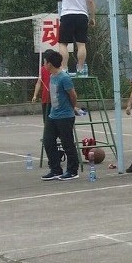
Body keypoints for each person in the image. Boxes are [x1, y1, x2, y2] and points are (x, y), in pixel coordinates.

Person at [40, 49, 80, 181]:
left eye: (45, 62)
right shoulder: (52, 76)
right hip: (53, 115)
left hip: (65, 116)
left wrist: (73, 107)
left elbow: (73, 95)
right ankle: (55, 169)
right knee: (48, 141)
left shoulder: (64, 77)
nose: (44, 65)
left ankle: (73, 171)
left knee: (67, 143)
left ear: (50, 64)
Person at [55, 0, 96, 76]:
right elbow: (91, 1)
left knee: (63, 43)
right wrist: (92, 17)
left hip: (67, 15)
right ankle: (80, 68)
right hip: (82, 16)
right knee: (81, 44)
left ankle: (64, 68)